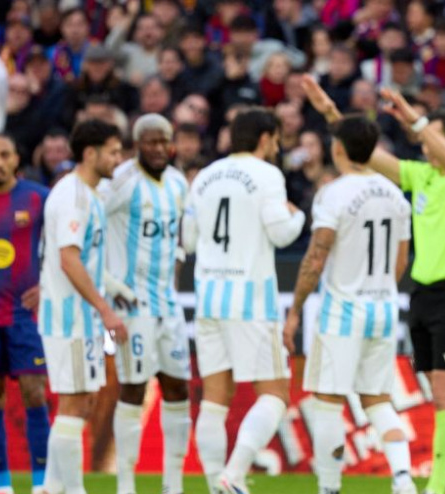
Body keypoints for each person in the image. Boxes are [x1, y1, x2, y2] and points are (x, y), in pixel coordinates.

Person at [303, 72, 445, 494]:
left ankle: (436, 486)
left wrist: (416, 120)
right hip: (422, 294)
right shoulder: (422, 177)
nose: (425, 149)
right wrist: (330, 114)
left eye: (433, 141)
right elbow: (363, 154)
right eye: (423, 144)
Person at [282, 115, 416, 494]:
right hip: (384, 308)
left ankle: (329, 487)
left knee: (327, 402)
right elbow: (401, 260)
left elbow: (315, 258)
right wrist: (379, 288)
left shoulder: (334, 194)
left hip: (343, 310)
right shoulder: (395, 195)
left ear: (337, 148)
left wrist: (294, 312)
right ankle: (403, 478)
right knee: (378, 400)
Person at [182, 108, 305, 494]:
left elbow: (186, 241)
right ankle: (233, 475)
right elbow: (282, 233)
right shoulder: (268, 175)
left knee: (215, 401)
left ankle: (215, 484)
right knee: (275, 394)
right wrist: (298, 216)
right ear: (265, 138)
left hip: (208, 299)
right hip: (250, 300)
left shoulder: (204, 177)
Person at [102, 114, 190, 494]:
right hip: (132, 302)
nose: (157, 149)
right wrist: (109, 284)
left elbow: (177, 242)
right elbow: (92, 228)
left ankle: (172, 485)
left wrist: (173, 280)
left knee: (177, 387)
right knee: (134, 387)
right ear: (137, 145)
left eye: (163, 142)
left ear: (171, 144)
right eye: (149, 142)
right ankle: (125, 484)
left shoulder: (178, 183)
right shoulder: (122, 182)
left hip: (167, 304)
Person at [39, 119, 127, 494]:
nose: (118, 158)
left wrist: (115, 289)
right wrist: (105, 309)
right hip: (68, 318)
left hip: (82, 318)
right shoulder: (72, 196)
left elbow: (87, 260)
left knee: (81, 402)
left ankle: (52, 488)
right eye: (113, 151)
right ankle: (72, 490)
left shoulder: (90, 194)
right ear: (90, 153)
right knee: (75, 402)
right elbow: (69, 260)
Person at [0, 134, 50, 494]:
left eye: (5, 154)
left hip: (25, 315)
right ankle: (2, 486)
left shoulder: (38, 197)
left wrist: (48, 282)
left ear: (17, 158)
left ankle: (40, 484)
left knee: (35, 392)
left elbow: (68, 243)